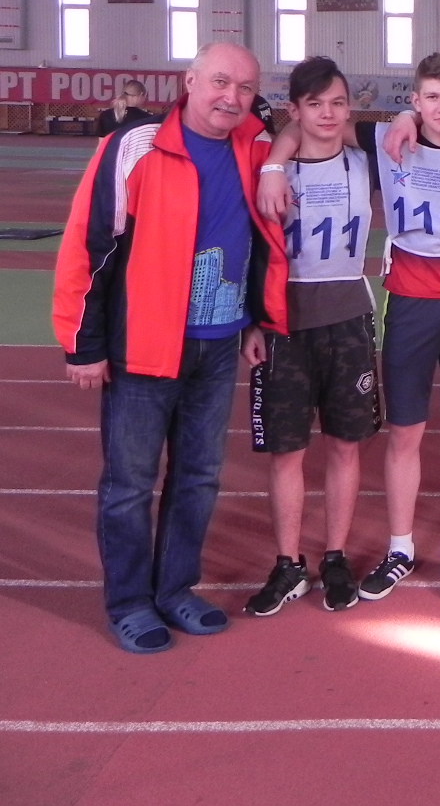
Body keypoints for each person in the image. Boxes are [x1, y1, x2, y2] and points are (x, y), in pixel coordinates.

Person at [54, 42, 288, 653]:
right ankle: (130, 602)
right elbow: (89, 244)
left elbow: (260, 229)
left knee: (199, 478)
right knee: (130, 483)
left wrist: (255, 320)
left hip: (220, 344)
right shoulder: (135, 145)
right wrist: (83, 344)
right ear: (190, 81)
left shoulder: (254, 145)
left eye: (244, 88)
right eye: (220, 82)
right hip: (144, 347)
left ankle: (175, 588)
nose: (231, 98)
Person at [259, 52, 440, 602]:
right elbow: (305, 126)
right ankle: (400, 547)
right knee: (404, 432)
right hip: (410, 298)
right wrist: (275, 165)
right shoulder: (380, 141)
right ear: (415, 100)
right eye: (430, 98)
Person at [242, 57, 381, 616]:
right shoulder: (265, 167)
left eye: (337, 103)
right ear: (294, 109)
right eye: (315, 104)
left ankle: (336, 556)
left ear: (350, 108)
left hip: (348, 318)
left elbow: (422, 129)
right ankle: (288, 564)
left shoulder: (367, 161)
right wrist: (251, 321)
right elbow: (248, 247)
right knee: (286, 452)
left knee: (345, 446)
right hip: (284, 323)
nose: (327, 114)